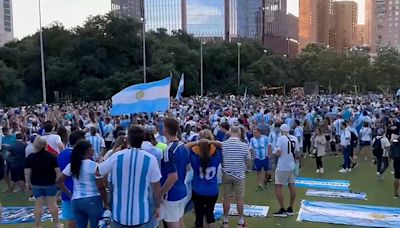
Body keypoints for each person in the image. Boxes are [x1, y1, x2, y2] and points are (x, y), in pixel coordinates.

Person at [98, 126, 162, 227]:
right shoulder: (151, 159)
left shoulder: (116, 156)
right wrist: (158, 206)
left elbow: (99, 171)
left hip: (120, 215)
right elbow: (156, 186)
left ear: (127, 140)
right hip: (141, 215)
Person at [57, 140, 109, 228]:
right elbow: (101, 187)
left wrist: (69, 193)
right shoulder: (94, 166)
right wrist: (106, 203)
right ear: (88, 150)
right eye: (92, 148)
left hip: (76, 200)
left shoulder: (72, 165)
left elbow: (58, 180)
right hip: (92, 199)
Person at [186, 129, 222, 228]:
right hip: (212, 190)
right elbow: (222, 145)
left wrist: (198, 142)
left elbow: (185, 147)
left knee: (199, 218)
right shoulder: (217, 154)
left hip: (198, 190)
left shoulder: (194, 155)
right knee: (210, 216)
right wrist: (210, 142)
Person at [24, 136, 62, 228]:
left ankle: (37, 225)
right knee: (52, 204)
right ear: (45, 145)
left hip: (36, 184)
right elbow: (58, 171)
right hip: (50, 183)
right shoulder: (52, 156)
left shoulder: (30, 157)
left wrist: (27, 183)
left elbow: (27, 172)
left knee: (38, 205)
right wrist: (59, 182)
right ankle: (56, 224)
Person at [159, 117, 190, 228]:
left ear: (166, 130)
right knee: (180, 221)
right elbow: (187, 168)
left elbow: (172, 177)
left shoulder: (169, 150)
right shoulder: (183, 146)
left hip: (172, 194)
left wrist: (160, 193)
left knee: (173, 223)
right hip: (182, 190)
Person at [221, 126, 251, 228]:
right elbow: (248, 160)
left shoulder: (223, 144)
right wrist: (248, 169)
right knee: (239, 198)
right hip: (239, 175)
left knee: (226, 198)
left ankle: (225, 220)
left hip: (227, 174)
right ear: (239, 133)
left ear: (230, 132)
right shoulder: (244, 145)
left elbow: (221, 158)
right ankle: (240, 221)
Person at [57, 130, 86, 228]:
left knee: (72, 218)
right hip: (79, 191)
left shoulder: (62, 154)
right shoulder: (79, 155)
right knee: (77, 219)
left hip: (66, 189)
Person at [273, 124, 298, 218]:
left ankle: (282, 209)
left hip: (282, 165)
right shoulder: (294, 138)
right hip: (291, 164)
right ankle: (291, 208)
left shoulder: (281, 138)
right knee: (291, 185)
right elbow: (296, 151)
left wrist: (274, 152)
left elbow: (278, 153)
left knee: (278, 186)